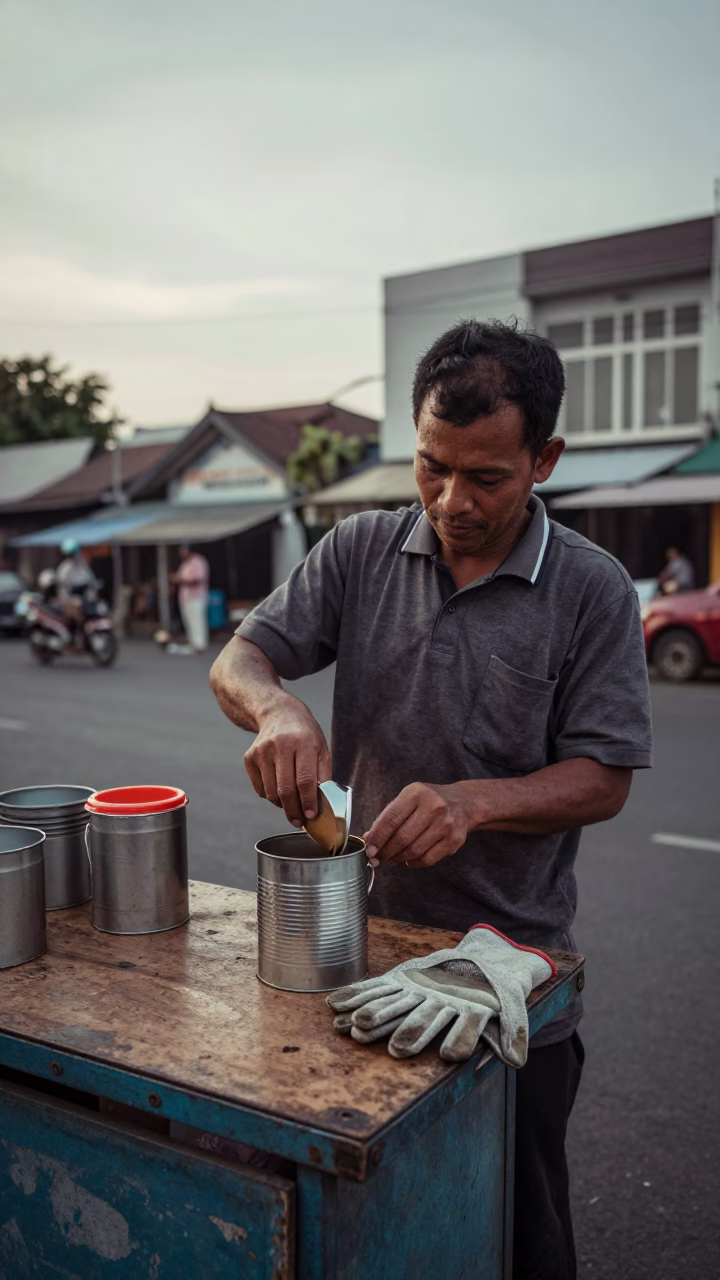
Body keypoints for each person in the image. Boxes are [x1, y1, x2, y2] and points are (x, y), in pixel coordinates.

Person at [209, 319, 653, 1280]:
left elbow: (606, 776)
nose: (451, 501)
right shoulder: (360, 549)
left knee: (523, 1238)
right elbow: (239, 658)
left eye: (486, 477)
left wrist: (475, 803)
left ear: (545, 459)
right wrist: (275, 709)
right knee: (367, 1229)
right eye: (430, 467)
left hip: (510, 976)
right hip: (362, 967)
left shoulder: (594, 590)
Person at [55, 539, 100, 638]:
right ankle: (71, 637)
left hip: (84, 598)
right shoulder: (64, 569)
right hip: (69, 599)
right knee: (75, 617)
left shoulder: (83, 566)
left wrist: (94, 588)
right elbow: (62, 586)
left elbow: (91, 580)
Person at [172, 545, 210, 653]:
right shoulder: (185, 563)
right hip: (185, 597)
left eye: (183, 551)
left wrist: (181, 580)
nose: (182, 553)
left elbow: (198, 579)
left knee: (197, 621)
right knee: (189, 621)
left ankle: (200, 645)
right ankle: (193, 643)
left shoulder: (198, 561)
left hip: (196, 596)